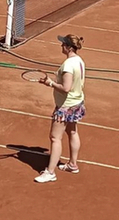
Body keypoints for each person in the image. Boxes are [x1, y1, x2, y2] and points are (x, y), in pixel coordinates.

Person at [34, 34, 86, 183]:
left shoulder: (68, 65)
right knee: (73, 131)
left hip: (66, 106)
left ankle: (50, 172)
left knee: (55, 137)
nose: (61, 46)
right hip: (77, 103)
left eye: (63, 44)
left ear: (69, 47)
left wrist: (50, 83)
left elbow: (66, 88)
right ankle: (72, 164)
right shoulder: (79, 61)